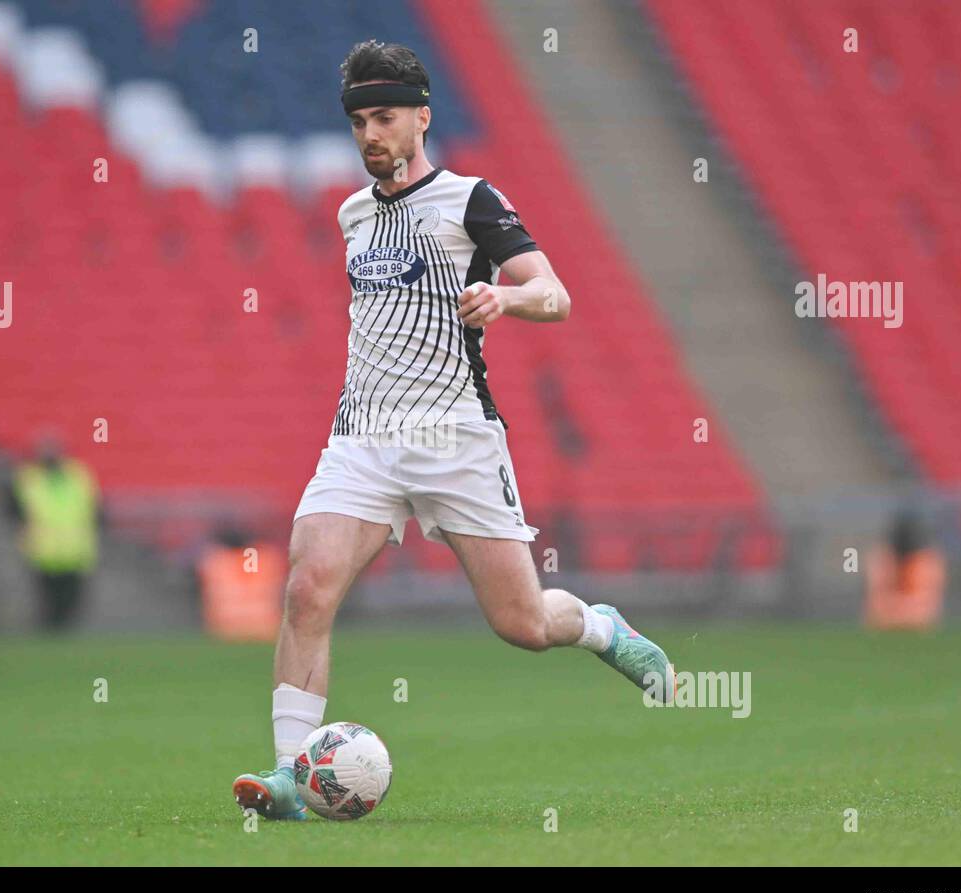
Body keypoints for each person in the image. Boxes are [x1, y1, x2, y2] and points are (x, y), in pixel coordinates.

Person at [231, 40, 675, 820]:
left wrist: (505, 300)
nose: (371, 132)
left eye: (387, 116)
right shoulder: (353, 213)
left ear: (422, 118)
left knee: (524, 625)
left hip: (455, 439)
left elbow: (557, 295)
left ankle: (600, 628)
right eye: (361, 119)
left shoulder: (472, 201)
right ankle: (289, 779)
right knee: (306, 590)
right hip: (363, 437)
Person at [5, 436, 101, 631]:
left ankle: (63, 632)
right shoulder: (28, 478)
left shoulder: (78, 475)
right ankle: (50, 631)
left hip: (75, 549)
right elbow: (12, 509)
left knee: (71, 599)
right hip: (43, 550)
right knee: (47, 599)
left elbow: (95, 507)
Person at [865, 510, 946, 631]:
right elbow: (876, 605)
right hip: (887, 623)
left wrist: (897, 610)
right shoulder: (883, 559)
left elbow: (927, 607)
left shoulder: (926, 561)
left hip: (916, 623)